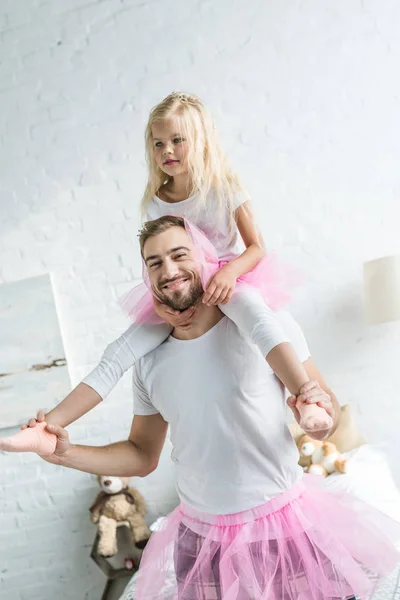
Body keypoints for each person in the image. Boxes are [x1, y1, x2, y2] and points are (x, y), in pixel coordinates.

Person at [5, 216, 399, 600]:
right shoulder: (149, 363)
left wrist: (315, 422)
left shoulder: (266, 325)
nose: (168, 269)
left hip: (284, 527)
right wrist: (67, 453)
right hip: (202, 541)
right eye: (154, 262)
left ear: (207, 260)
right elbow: (142, 455)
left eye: (180, 255)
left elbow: (322, 413)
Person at [0, 92, 330, 456]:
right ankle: (49, 427)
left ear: (199, 141)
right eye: (158, 143)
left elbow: (256, 247)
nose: (167, 150)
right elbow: (161, 257)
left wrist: (230, 273)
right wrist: (162, 303)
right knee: (119, 351)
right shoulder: (158, 199)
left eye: (177, 140)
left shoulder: (224, 188)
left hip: (225, 278)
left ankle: (307, 399)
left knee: (260, 319)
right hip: (182, 285)